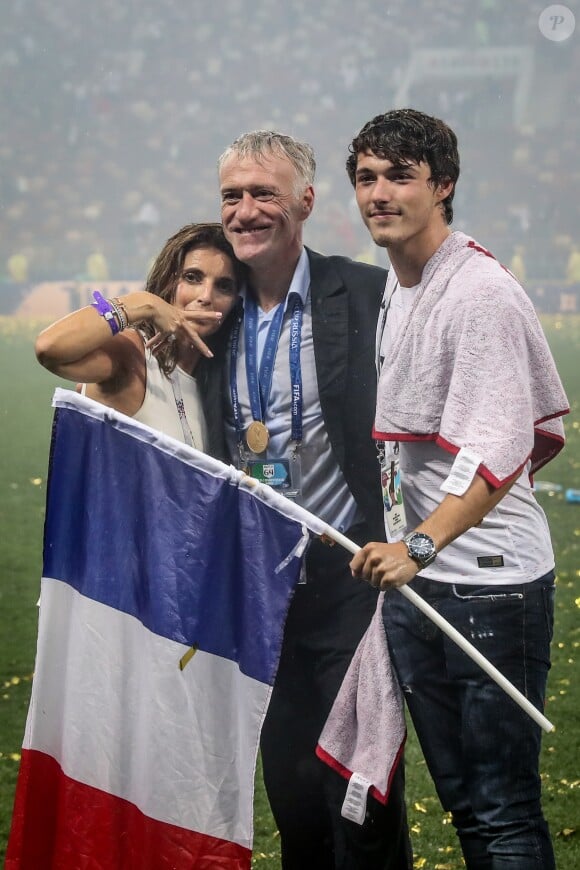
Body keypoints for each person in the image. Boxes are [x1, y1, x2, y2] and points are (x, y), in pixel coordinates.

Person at [347, 109, 569, 869]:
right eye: (367, 178)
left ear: (442, 185)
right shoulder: (402, 287)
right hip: (422, 586)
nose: (379, 193)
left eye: (400, 177)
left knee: (503, 812)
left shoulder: (479, 293)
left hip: (491, 588)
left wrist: (414, 544)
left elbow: (497, 452)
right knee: (467, 806)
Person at [206, 130, 411, 869]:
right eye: (233, 195)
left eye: (265, 193)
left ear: (306, 201)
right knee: (291, 792)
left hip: (346, 577)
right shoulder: (208, 303)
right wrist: (145, 307)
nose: (247, 210)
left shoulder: (361, 292)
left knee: (361, 788)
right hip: (255, 589)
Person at [35, 223, 241, 447]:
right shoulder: (133, 353)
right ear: (167, 281)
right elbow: (50, 347)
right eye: (192, 277)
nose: (205, 296)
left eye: (224, 286)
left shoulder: (218, 381)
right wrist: (145, 303)